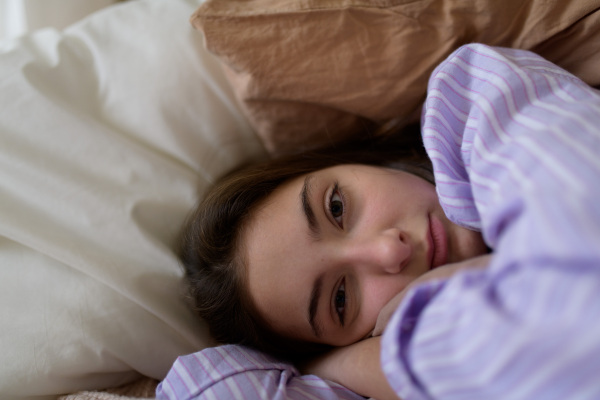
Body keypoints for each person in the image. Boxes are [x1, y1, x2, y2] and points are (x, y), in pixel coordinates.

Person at [158, 44, 600, 400]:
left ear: (350, 161)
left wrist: (375, 358)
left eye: (336, 208)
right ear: (353, 339)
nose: (390, 250)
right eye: (341, 299)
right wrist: (330, 370)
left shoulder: (472, 99)